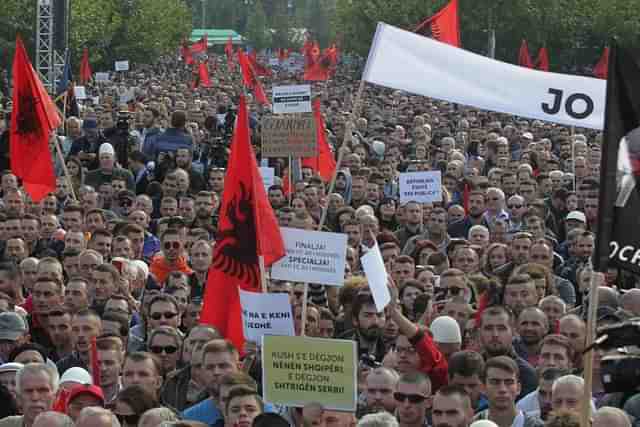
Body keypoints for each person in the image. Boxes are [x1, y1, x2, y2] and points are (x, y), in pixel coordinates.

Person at [472, 356, 543, 427]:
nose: (502, 389)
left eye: (509, 382)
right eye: (495, 382)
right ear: (483, 388)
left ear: (518, 388)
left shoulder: (537, 425)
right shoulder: (471, 424)